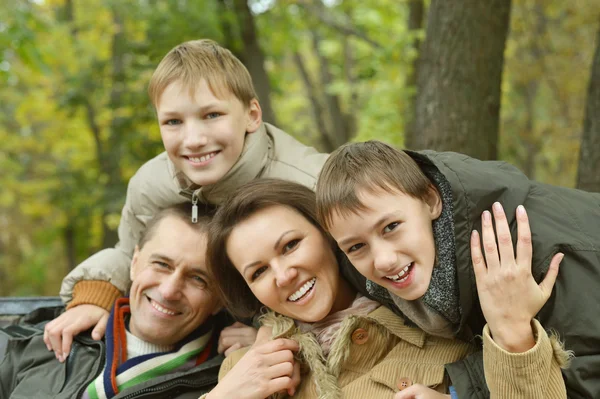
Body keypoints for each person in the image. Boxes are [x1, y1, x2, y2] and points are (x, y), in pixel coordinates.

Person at [45, 38, 328, 359]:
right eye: (174, 122)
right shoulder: (151, 185)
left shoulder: (309, 183)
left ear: (251, 115)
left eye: (212, 115)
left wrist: (278, 330)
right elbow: (131, 254)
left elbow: (355, 279)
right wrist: (96, 295)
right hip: (200, 324)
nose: (194, 140)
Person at [202, 179, 566, 399]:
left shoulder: (439, 324)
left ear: (330, 236)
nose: (282, 275)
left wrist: (514, 332)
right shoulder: (243, 369)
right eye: (259, 271)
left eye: (291, 245)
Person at [314, 140, 598, 397]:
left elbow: (582, 383)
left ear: (431, 200)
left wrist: (508, 333)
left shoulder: (534, 258)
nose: (383, 260)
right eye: (356, 247)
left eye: (391, 227)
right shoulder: (364, 268)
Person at [0, 205, 256, 399]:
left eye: (198, 279)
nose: (169, 291)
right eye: (161, 264)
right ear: (134, 263)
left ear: (220, 299)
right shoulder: (38, 339)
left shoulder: (233, 382)